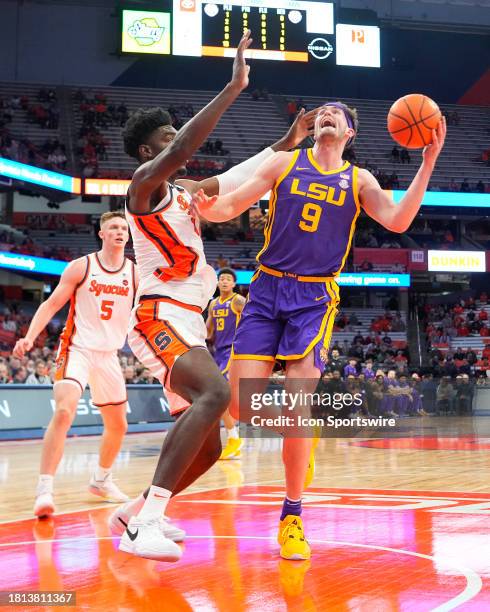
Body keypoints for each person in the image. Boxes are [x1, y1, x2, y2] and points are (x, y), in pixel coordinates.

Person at [192, 101, 446, 560]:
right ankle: (300, 434)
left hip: (313, 299)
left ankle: (291, 516)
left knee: (297, 404)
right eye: (321, 112)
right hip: (266, 291)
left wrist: (427, 164)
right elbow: (231, 203)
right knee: (241, 404)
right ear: (314, 129)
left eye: (337, 113)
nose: (326, 115)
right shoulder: (285, 161)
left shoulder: (359, 180)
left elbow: (399, 221)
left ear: (350, 132)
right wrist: (207, 207)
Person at [109, 31, 319, 562]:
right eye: (166, 137)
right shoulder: (143, 187)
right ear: (146, 151)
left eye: (173, 135)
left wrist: (288, 141)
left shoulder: (186, 193)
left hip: (187, 321)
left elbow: (241, 174)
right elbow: (183, 150)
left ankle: (135, 512)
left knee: (215, 443)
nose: (175, 140)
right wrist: (233, 86)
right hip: (158, 315)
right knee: (219, 396)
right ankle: (147, 524)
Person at [13, 211, 137, 518]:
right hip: (76, 349)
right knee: (65, 410)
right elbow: (52, 303)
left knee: (118, 425)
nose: (120, 232)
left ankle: (101, 480)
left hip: (109, 355)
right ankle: (45, 488)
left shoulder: (134, 272)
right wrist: (30, 337)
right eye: (113, 228)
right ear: (102, 234)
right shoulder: (82, 266)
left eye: (123, 228)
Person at [206, 268, 246, 459]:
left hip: (233, 351)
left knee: (219, 394)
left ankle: (234, 438)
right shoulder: (213, 303)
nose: (224, 282)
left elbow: (253, 320)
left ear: (233, 284)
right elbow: (208, 331)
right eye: (221, 279)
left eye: (228, 279)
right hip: (218, 352)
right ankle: (233, 438)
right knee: (222, 398)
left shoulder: (238, 300)